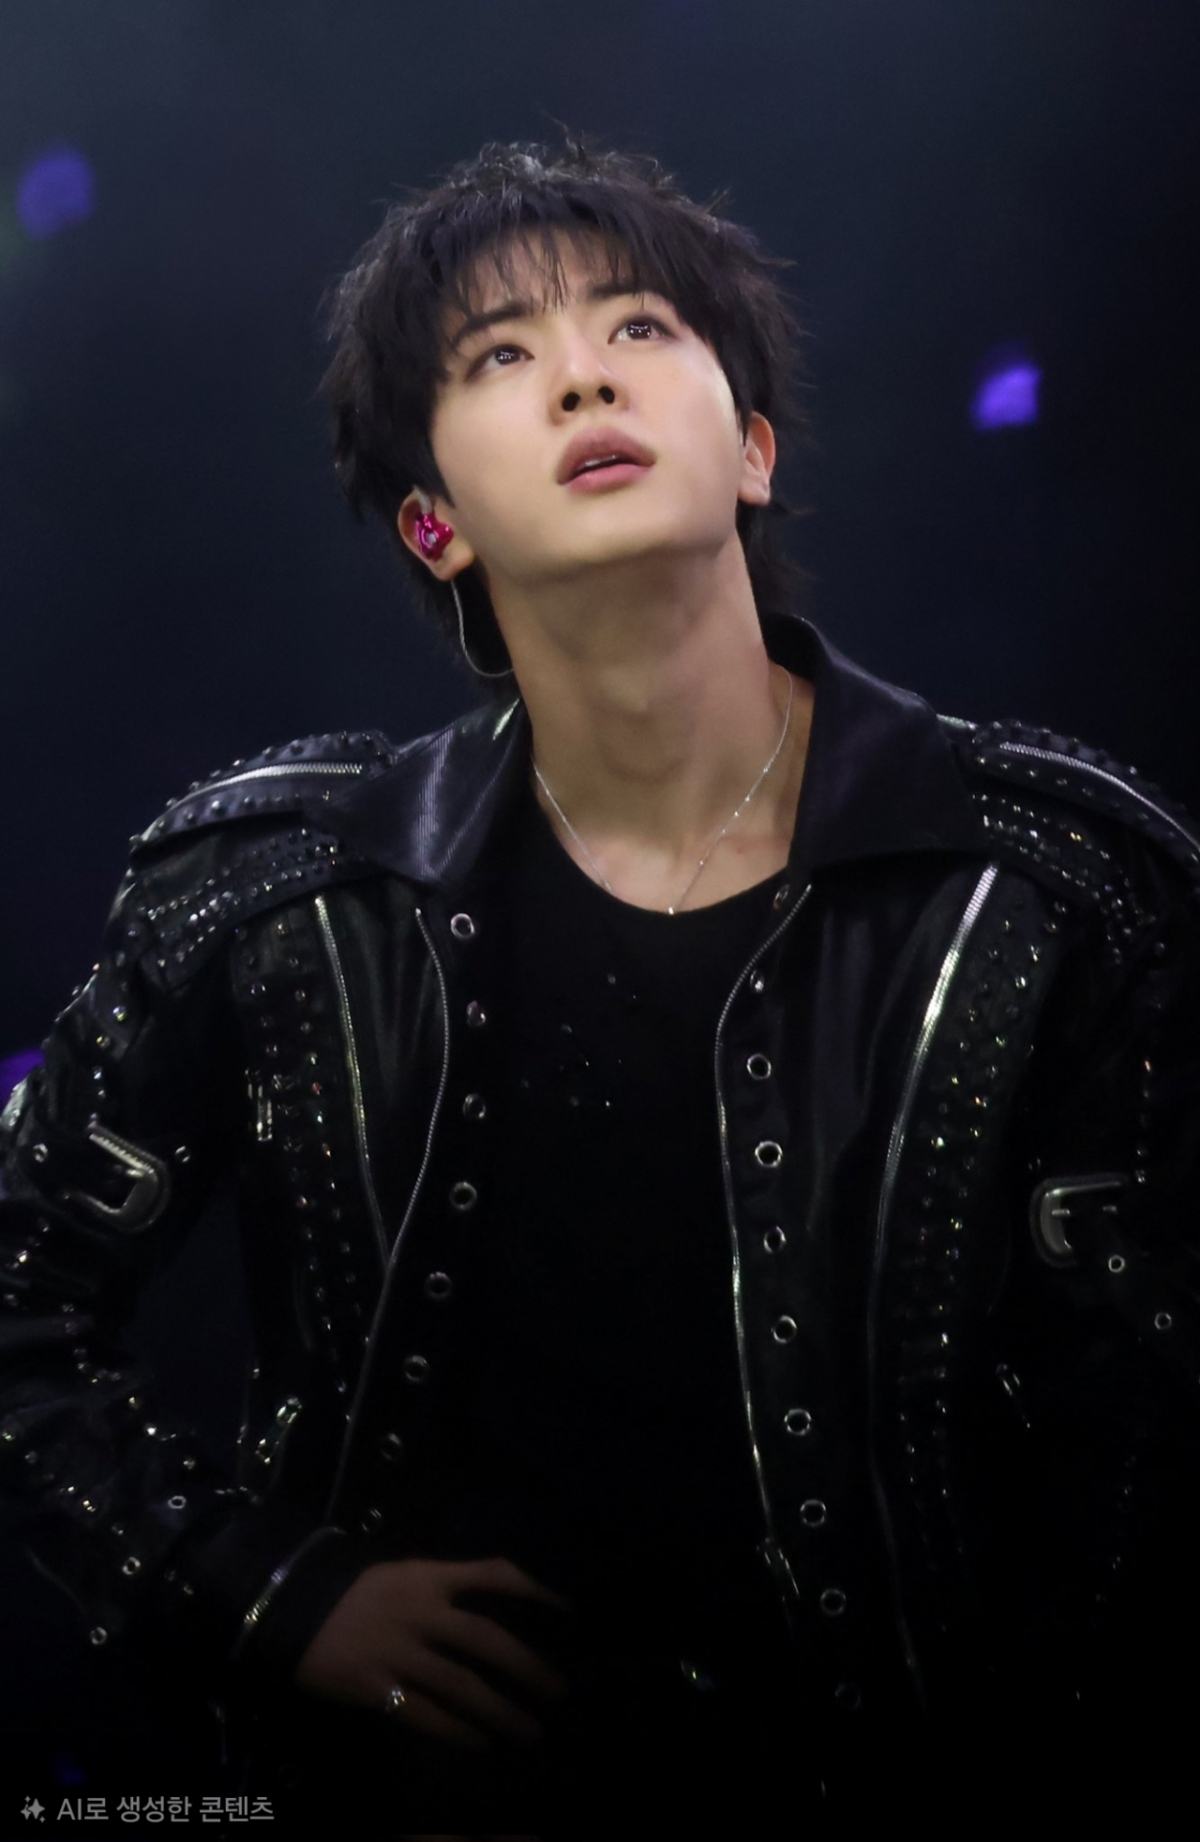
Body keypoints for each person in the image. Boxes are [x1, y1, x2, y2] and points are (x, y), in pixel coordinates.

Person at [2, 134, 1199, 1835]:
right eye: (500, 355)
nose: (581, 376)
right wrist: (267, 1592)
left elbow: (1143, 1428)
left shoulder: (1058, 886)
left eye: (638, 326)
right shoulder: (281, 896)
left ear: (753, 447)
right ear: (432, 523)